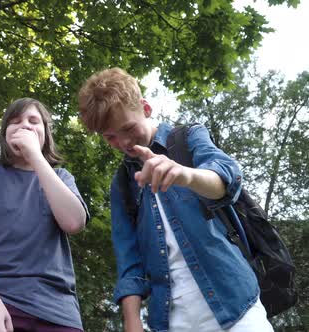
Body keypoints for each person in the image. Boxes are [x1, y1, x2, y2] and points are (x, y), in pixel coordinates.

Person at [77, 68, 274, 332]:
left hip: (236, 306)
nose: (123, 141)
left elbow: (228, 181)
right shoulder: (123, 184)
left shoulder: (188, 138)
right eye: (110, 136)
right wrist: (132, 320)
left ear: (146, 108)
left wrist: (185, 175)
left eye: (128, 128)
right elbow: (129, 260)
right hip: (171, 322)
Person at [0, 98, 89, 332]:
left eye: (33, 121)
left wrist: (36, 156)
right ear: (5, 133)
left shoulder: (62, 178)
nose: (24, 125)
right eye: (15, 122)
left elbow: (74, 222)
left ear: (45, 134)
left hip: (59, 312)